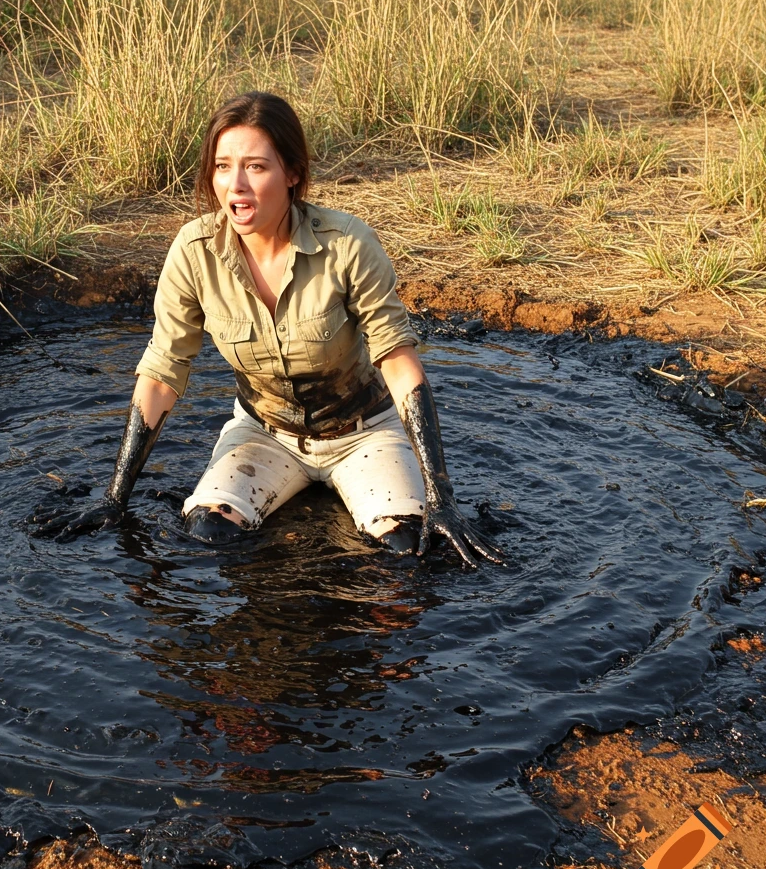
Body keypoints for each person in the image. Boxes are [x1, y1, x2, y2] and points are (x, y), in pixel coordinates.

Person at [30, 92, 502, 566]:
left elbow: (399, 365)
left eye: (256, 167)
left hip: (365, 433)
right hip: (264, 434)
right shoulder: (194, 252)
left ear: (292, 173)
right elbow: (161, 373)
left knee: (406, 553)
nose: (236, 185)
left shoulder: (348, 244)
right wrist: (115, 498)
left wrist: (442, 500)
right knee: (208, 531)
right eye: (222, 166)